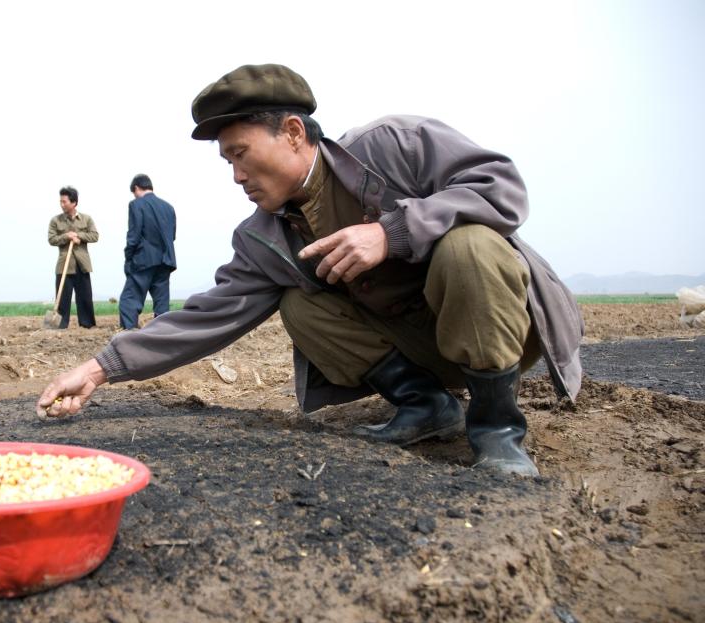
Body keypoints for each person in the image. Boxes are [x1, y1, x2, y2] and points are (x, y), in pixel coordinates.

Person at [37, 64, 584, 478]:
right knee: (298, 305)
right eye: (228, 161)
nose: (236, 175)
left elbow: (501, 186)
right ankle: (428, 406)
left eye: (242, 154)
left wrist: (391, 232)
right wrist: (99, 367)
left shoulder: (392, 146)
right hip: (422, 348)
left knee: (469, 245)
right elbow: (207, 316)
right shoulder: (263, 236)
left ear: (294, 133)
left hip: (497, 328)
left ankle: (496, 430)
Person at [118, 174, 177, 330]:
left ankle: (128, 333)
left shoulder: (136, 205)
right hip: (166, 260)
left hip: (143, 259)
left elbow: (134, 236)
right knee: (162, 302)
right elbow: (172, 235)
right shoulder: (168, 207)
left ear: (136, 188)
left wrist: (128, 259)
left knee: (129, 299)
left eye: (134, 192)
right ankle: (163, 333)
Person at [47, 186, 99, 328]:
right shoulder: (56, 221)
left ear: (74, 202)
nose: (62, 204)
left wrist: (79, 236)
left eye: (64, 201)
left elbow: (95, 236)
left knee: (85, 297)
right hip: (64, 265)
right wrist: (66, 236)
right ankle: (60, 325)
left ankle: (87, 324)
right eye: (61, 201)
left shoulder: (86, 219)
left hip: (82, 264)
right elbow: (51, 239)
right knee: (63, 298)